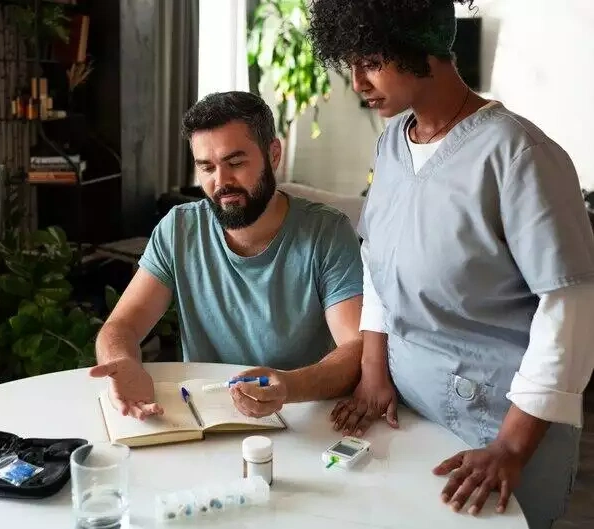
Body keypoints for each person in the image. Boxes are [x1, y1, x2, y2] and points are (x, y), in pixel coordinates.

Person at [308, 1, 594, 528]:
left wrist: (511, 446)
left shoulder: (519, 155)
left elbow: (569, 311)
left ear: (422, 44)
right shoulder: (394, 140)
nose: (357, 82)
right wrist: (373, 371)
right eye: (348, 63)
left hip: (496, 430)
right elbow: (377, 260)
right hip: (408, 415)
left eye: (369, 60)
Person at [90, 91, 364, 422]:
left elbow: (355, 349)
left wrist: (288, 386)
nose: (221, 183)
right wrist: (124, 363)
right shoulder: (179, 229)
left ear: (273, 154)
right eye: (206, 168)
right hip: (205, 417)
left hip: (303, 418)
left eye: (235, 163)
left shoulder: (327, 232)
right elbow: (121, 325)